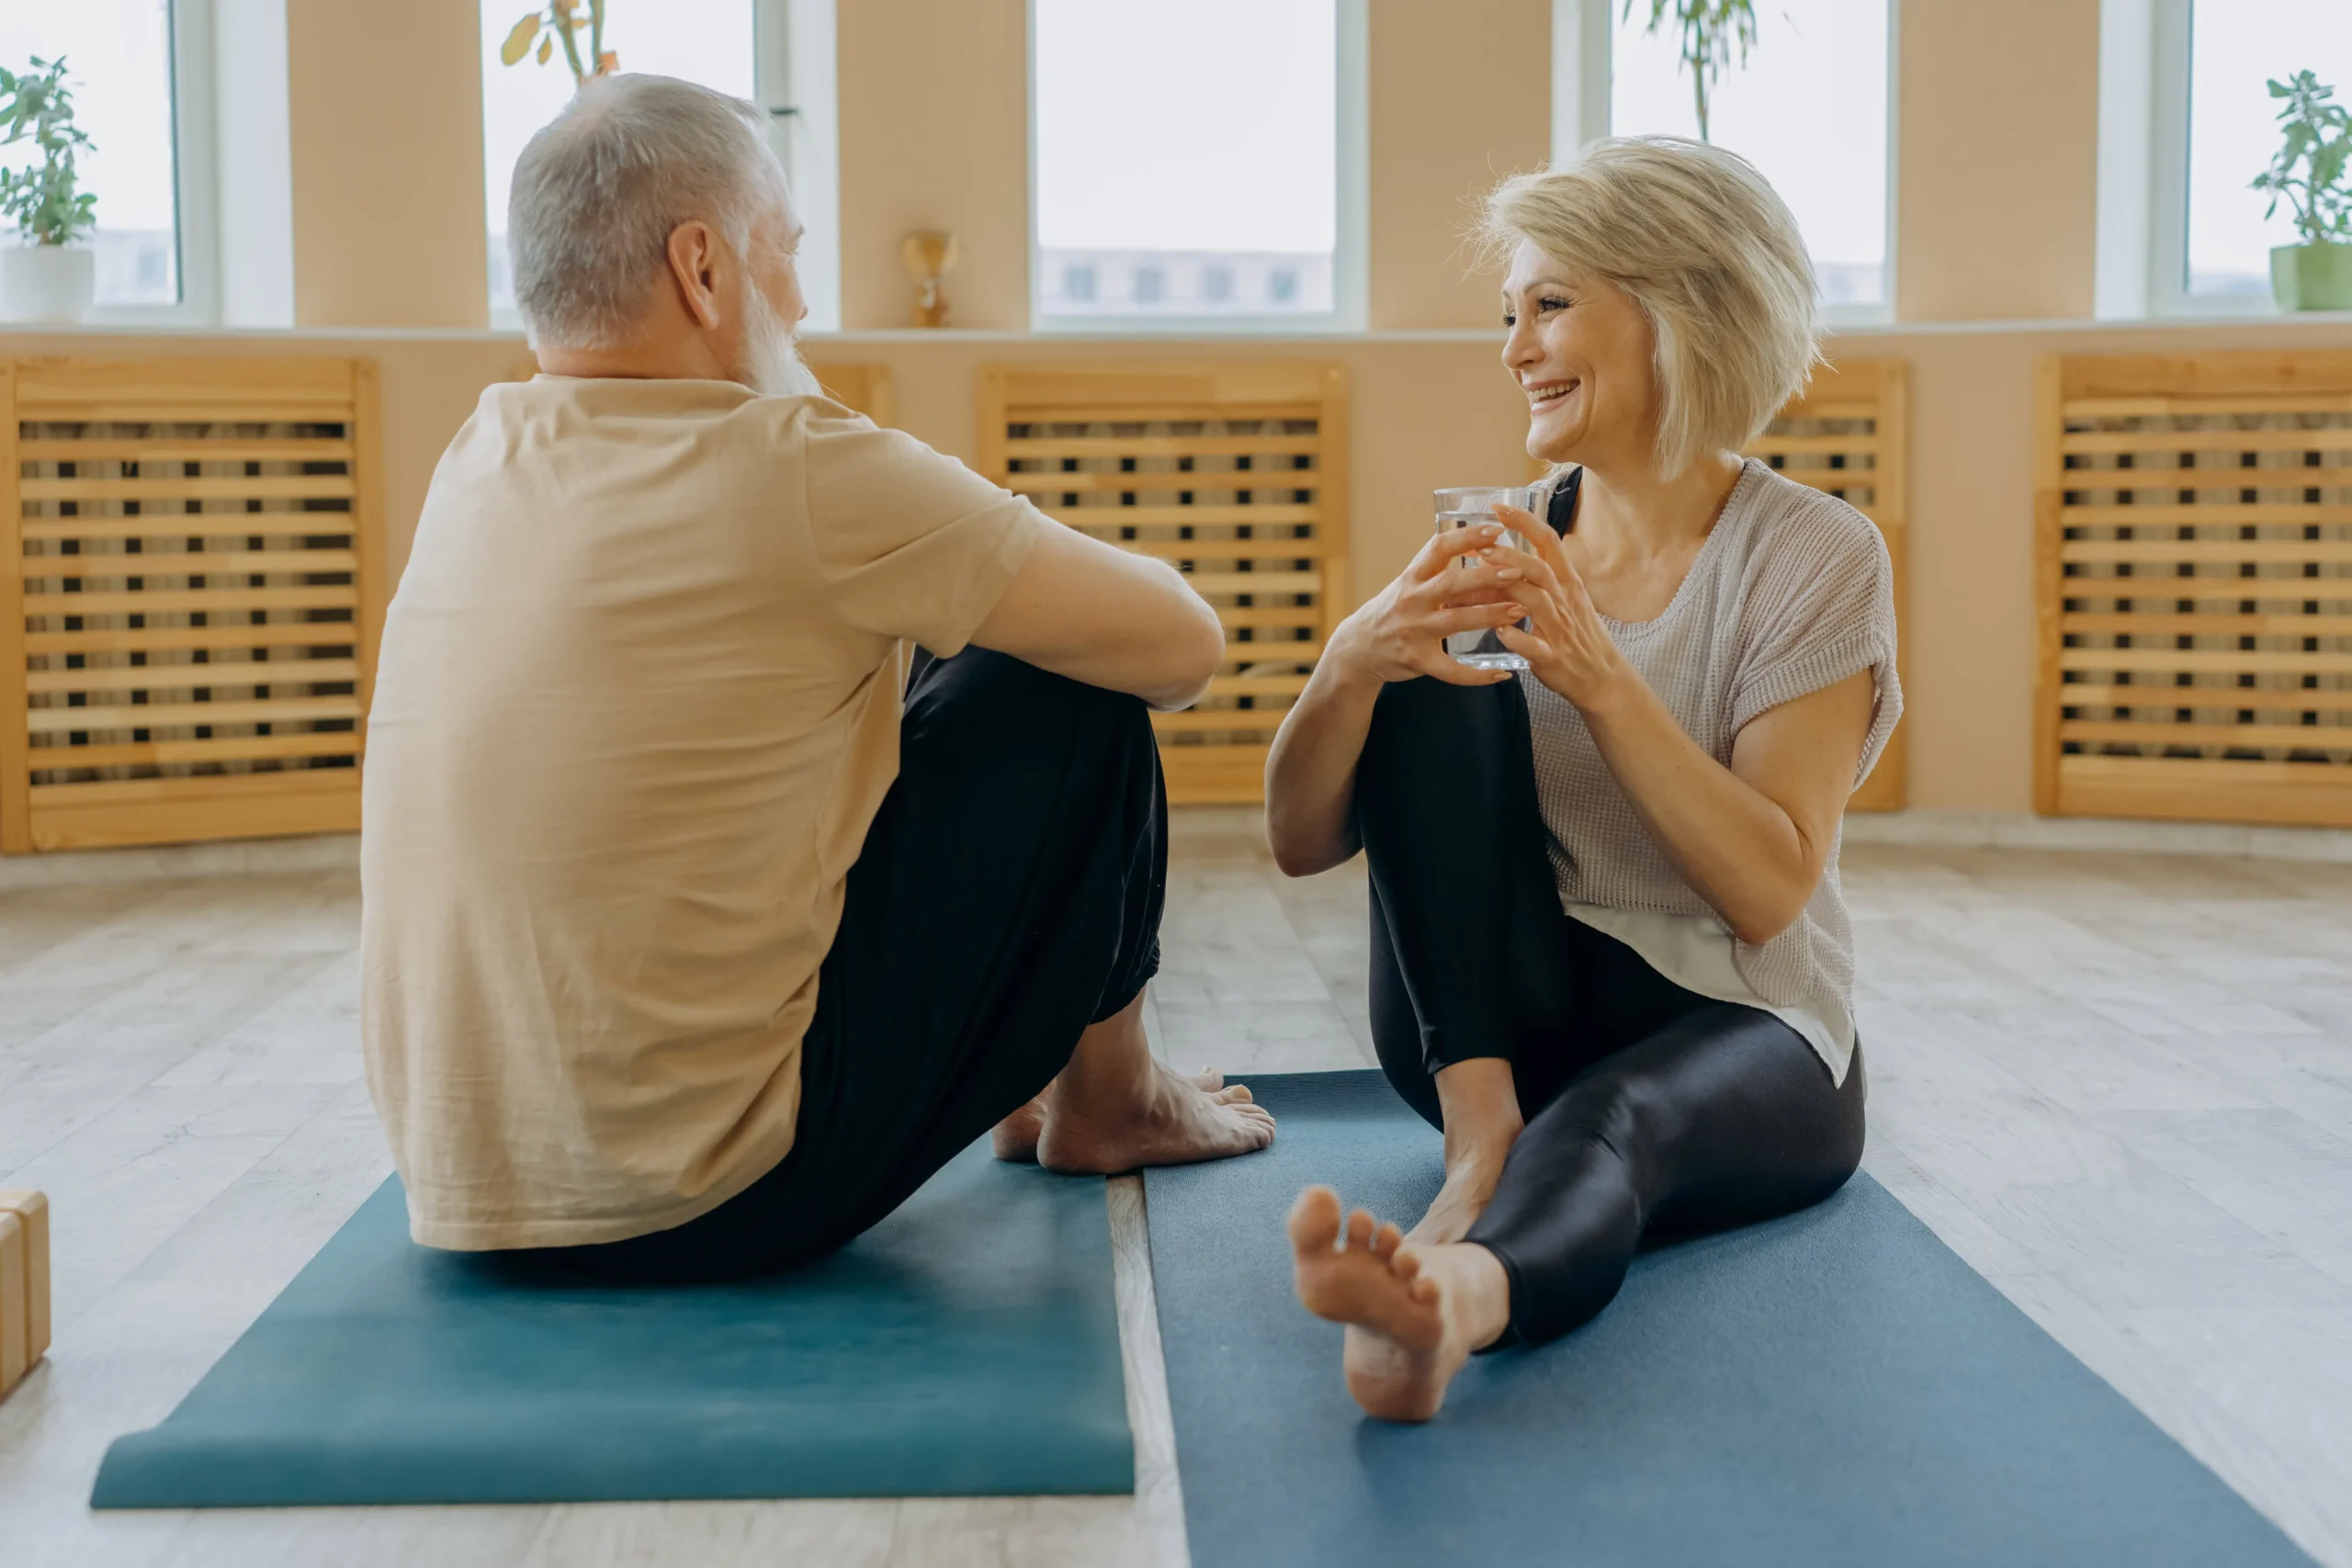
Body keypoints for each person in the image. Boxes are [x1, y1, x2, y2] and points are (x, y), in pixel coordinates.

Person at [359, 74, 1271, 1281]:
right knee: (1067, 680)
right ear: (705, 267)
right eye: (783, 252)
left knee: (931, 661)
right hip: (709, 1197)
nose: (800, 295)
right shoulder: (790, 462)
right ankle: (1115, 1101)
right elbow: (1179, 644)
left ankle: (1039, 1073)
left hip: (467, 1189)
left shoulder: (477, 454)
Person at [1263, 137, 1900, 1420]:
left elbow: (1771, 890)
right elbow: (1301, 839)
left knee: (1617, 1121)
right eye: (1511, 313)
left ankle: (1446, 1306)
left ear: (1683, 309)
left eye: (1551, 305)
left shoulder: (1814, 556)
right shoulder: (1498, 535)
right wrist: (1348, 663)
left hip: (1740, 1025)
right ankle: (1480, 1132)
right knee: (1422, 677)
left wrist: (1601, 674)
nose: (1514, 348)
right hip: (1489, 1026)